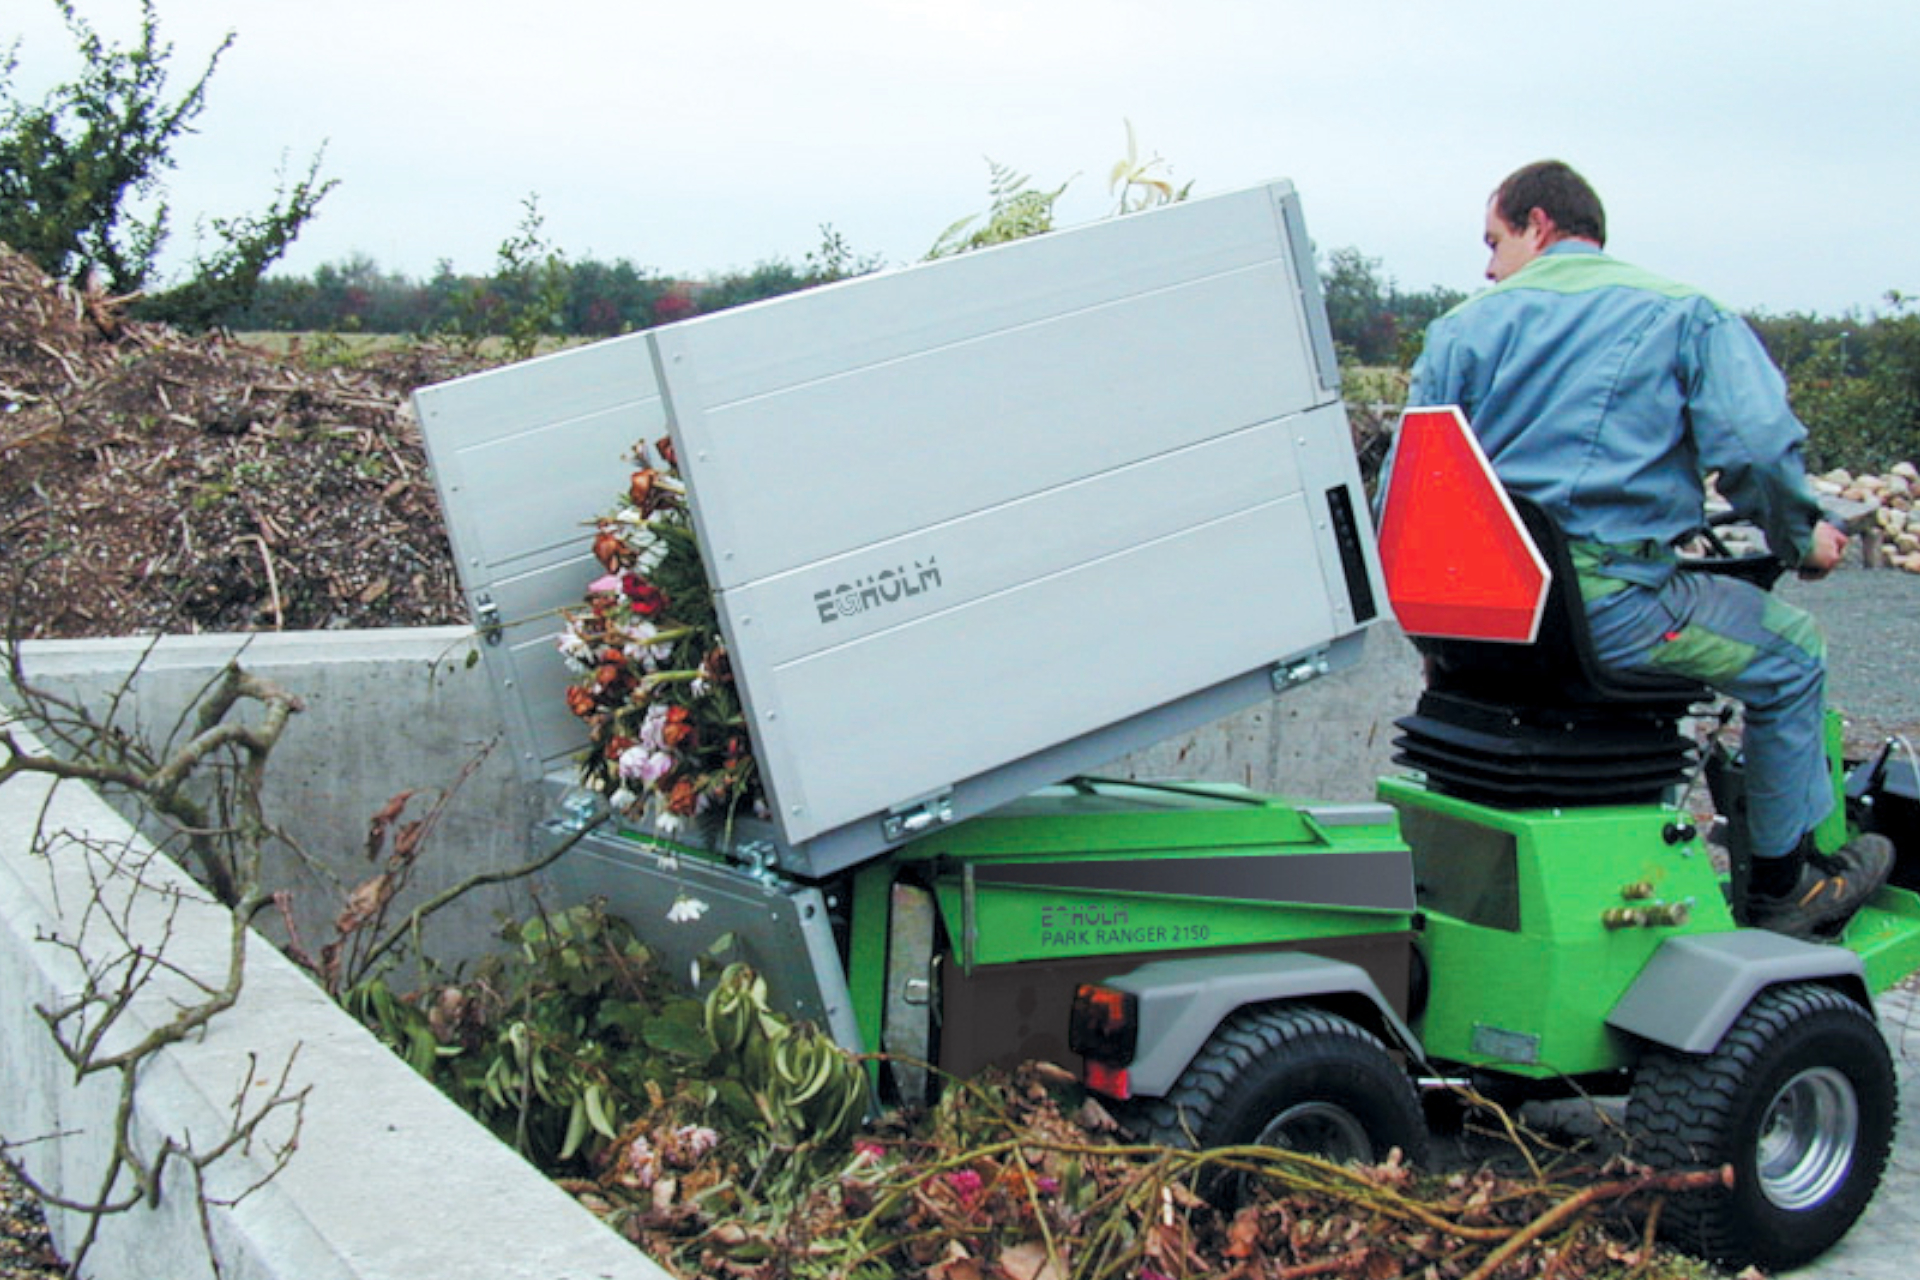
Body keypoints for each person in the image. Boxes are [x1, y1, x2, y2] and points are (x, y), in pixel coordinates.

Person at [1404, 158, 1891, 940]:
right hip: (1610, 614)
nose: (1488, 266)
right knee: (1794, 652)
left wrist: (1439, 633)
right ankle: (1784, 886)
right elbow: (1760, 455)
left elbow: (1413, 489)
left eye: (1494, 241)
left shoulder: (1460, 329)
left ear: (1541, 224)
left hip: (1483, 625)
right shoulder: (1685, 315)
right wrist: (1803, 542)